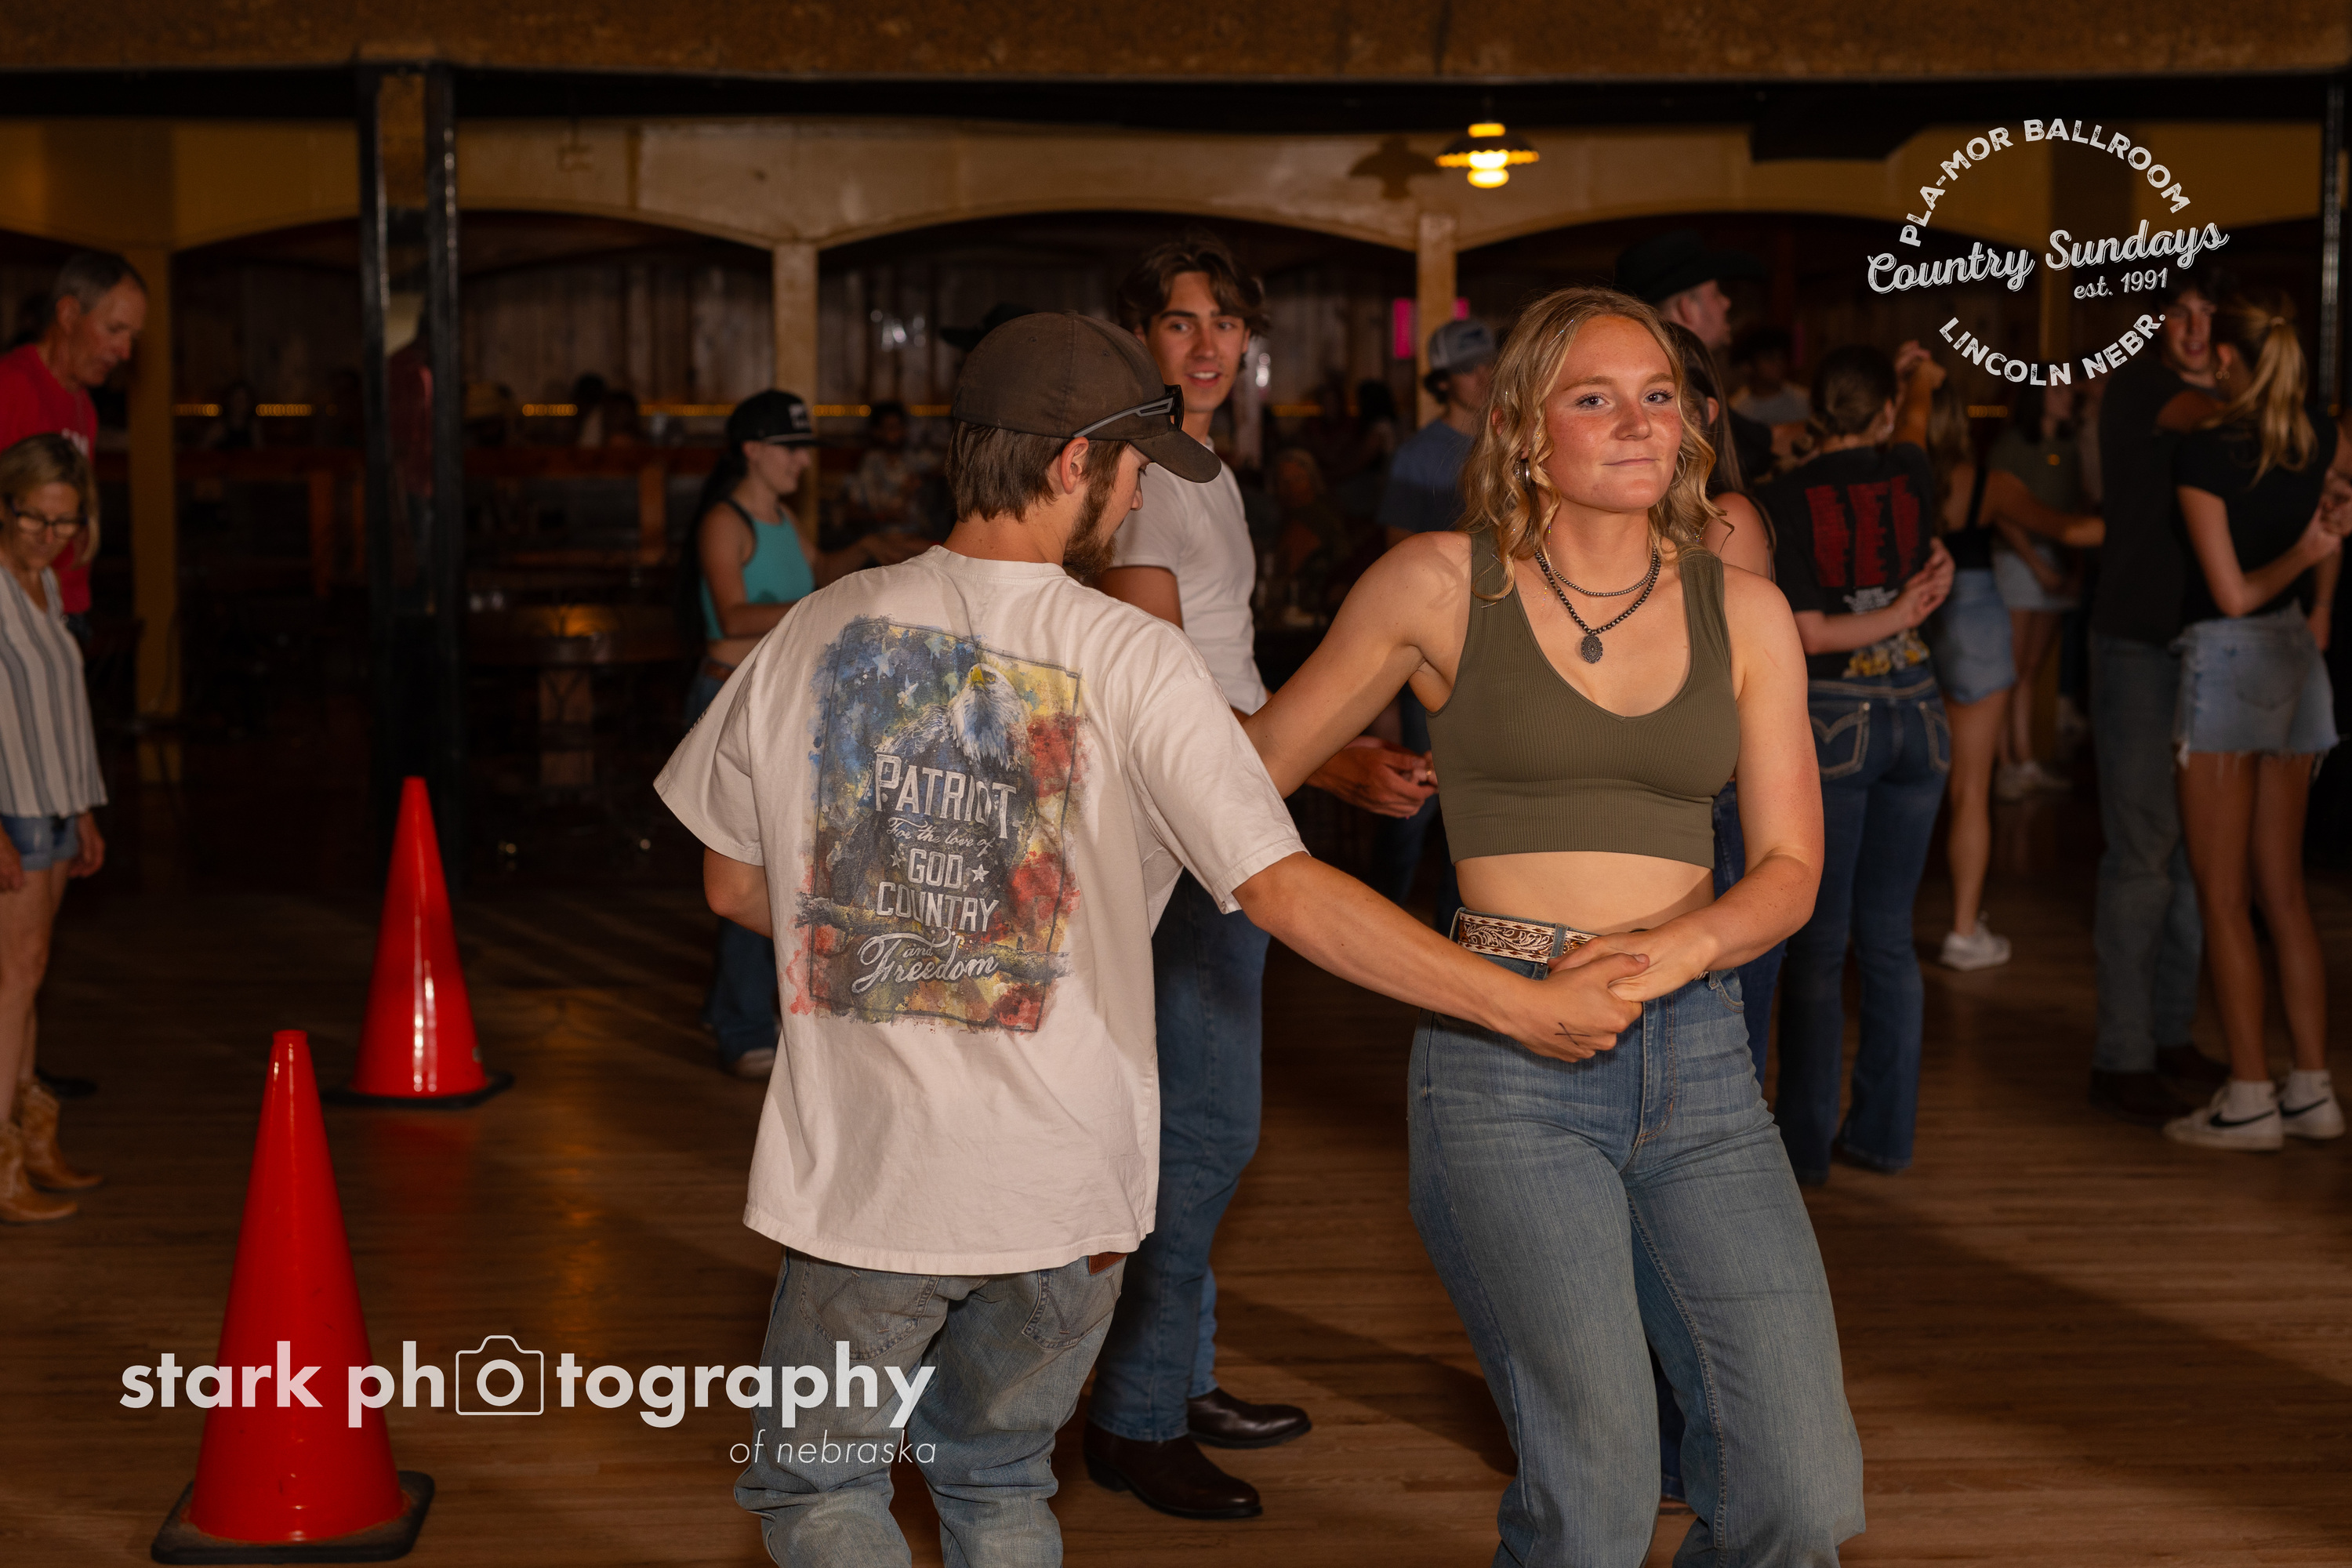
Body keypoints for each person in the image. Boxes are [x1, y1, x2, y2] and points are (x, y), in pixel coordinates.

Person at [656, 310, 1647, 1566]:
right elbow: (1282, 889)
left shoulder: (816, 629)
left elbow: (732, 885)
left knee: (823, 1489)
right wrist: (1516, 1000)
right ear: (1075, 462)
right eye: (1132, 469)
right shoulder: (1136, 658)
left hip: (867, 1176)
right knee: (999, 1484)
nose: (1136, 499)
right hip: (1067, 1191)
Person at [1242, 285, 1859, 1563]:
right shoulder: (1435, 585)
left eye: (1659, 396)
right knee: (1597, 1495)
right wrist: (1336, 765)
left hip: (1698, 1056)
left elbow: (1792, 867)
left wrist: (1679, 951)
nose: (1641, 423)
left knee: (1799, 1490)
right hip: (1502, 1064)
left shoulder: (1742, 609)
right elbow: (1235, 795)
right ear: (1526, 431)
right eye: (1596, 398)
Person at [1089, 233, 1431, 1522]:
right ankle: (1134, 1419)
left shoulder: (1206, 471)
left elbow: (1220, 670)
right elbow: (1158, 687)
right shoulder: (1139, 482)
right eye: (1181, 323)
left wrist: (1315, 752)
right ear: (1138, 338)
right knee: (1205, 1129)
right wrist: (1327, 762)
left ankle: (1178, 1378)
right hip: (1183, 827)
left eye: (1226, 322)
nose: (1208, 345)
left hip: (1232, 801)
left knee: (1200, 1122)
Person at [2158, 288, 2352, 1152]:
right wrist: (2321, 595)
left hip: (2231, 660)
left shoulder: (2207, 450)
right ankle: (2312, 1089)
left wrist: (2307, 553)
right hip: (2297, 658)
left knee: (2225, 895)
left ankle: (2249, 1098)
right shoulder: (2316, 435)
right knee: (2286, 892)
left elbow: (2233, 593)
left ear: (2228, 358)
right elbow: (2336, 512)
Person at [687, 390, 926, 1080]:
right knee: (749, 863)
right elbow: (733, 613)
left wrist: (867, 553)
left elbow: (819, 571)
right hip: (725, 698)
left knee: (777, 857)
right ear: (752, 450)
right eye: (791, 450)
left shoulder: (785, 519)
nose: (801, 463)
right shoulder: (724, 522)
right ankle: (741, 1026)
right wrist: (827, 604)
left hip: (772, 700)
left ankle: (730, 1008)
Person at [1760, 343, 1955, 1187]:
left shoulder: (1782, 497)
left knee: (1818, 943)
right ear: (1883, 413)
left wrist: (1894, 612)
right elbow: (1916, 426)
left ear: (1815, 409)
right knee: (1889, 941)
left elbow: (1810, 634)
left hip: (1837, 719)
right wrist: (1907, 612)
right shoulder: (1911, 468)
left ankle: (1803, 1148)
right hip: (1921, 709)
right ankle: (1881, 1135)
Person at [2088, 271, 2232, 1124]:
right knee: (2143, 854)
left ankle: (2171, 1033)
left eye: (2209, 314)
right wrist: (2267, 389)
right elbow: (2204, 414)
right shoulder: (2143, 385)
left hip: (2211, 645)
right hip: (2139, 644)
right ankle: (2123, 1056)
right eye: (2180, 312)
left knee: (2193, 857)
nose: (2194, 328)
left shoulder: (2223, 398)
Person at [1916, 371, 2103, 973]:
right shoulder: (1987, 483)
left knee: (1899, 791)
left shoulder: (1894, 480)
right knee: (1971, 791)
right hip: (1972, 621)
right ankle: (1963, 930)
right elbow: (2070, 529)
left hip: (1903, 622)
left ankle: (1877, 927)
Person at [0, 436, 108, 1224]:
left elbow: (62, 707)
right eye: (35, 518)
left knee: (28, 975)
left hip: (56, 800)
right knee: (14, 977)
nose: (50, 535)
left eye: (65, 521)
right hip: (13, 806)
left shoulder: (48, 585)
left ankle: (31, 1138)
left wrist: (85, 806)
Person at [1367, 317, 1496, 920]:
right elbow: (1396, 558)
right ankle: (1379, 926)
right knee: (1417, 799)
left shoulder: (1514, 441)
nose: (1484, 375)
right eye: (1469, 368)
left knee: (1477, 809)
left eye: (1490, 362)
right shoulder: (1417, 456)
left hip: (1502, 645)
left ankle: (1459, 934)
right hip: (1437, 648)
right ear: (1443, 380)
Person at [0, 251, 146, 650]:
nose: (125, 351)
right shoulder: (10, 388)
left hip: (66, 607)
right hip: (17, 609)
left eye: (132, 338)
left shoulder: (85, 407)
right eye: (115, 329)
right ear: (68, 314)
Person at [1614, 228, 1775, 481]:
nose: (1726, 303)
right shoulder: (1683, 377)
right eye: (1716, 293)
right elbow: (1750, 450)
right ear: (1687, 309)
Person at [1988, 384, 2085, 800]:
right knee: (2009, 670)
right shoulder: (2012, 445)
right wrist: (2036, 564)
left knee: (2029, 669)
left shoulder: (2069, 447)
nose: (2069, 397)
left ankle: (2025, 760)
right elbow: (1999, 509)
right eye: (2059, 390)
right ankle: (2005, 765)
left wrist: (2073, 566)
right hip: (2019, 559)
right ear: (2039, 396)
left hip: (2057, 559)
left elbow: (2075, 511)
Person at [839, 400, 940, 539]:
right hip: (881, 539)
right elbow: (851, 511)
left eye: (900, 426)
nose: (897, 432)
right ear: (877, 431)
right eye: (891, 427)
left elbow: (943, 467)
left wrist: (925, 479)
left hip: (916, 537)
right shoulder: (870, 462)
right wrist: (884, 516)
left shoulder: (917, 459)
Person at [1733, 325, 1810, 430]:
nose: (1778, 363)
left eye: (1781, 357)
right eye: (1769, 358)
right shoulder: (1737, 409)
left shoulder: (1805, 401)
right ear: (1748, 366)